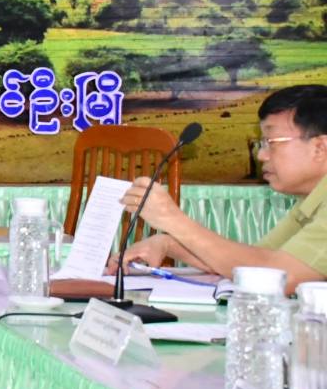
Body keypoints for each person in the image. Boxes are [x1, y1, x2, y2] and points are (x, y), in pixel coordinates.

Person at [116, 84, 327, 292]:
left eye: (271, 143)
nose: (261, 155)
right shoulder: (312, 199)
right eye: (261, 144)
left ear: (320, 148)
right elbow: (250, 263)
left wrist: (172, 220)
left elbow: (280, 277)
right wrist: (168, 244)